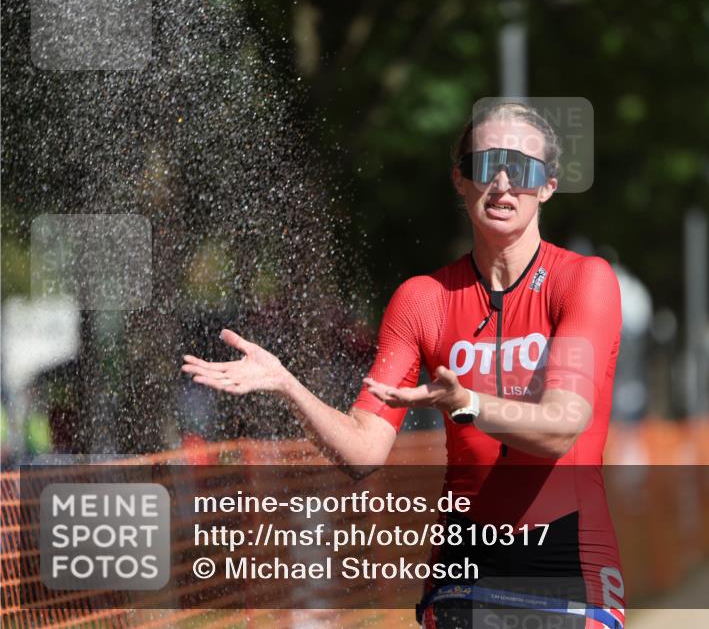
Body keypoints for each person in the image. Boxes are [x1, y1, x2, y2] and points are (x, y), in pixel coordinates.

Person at [182, 102, 625, 629]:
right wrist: (287, 385)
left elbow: (562, 427)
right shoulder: (423, 300)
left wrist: (466, 404)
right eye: (486, 165)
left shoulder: (582, 281)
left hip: (566, 559)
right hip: (464, 564)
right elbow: (364, 450)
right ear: (460, 180)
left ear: (547, 187)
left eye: (522, 169)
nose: (504, 184)